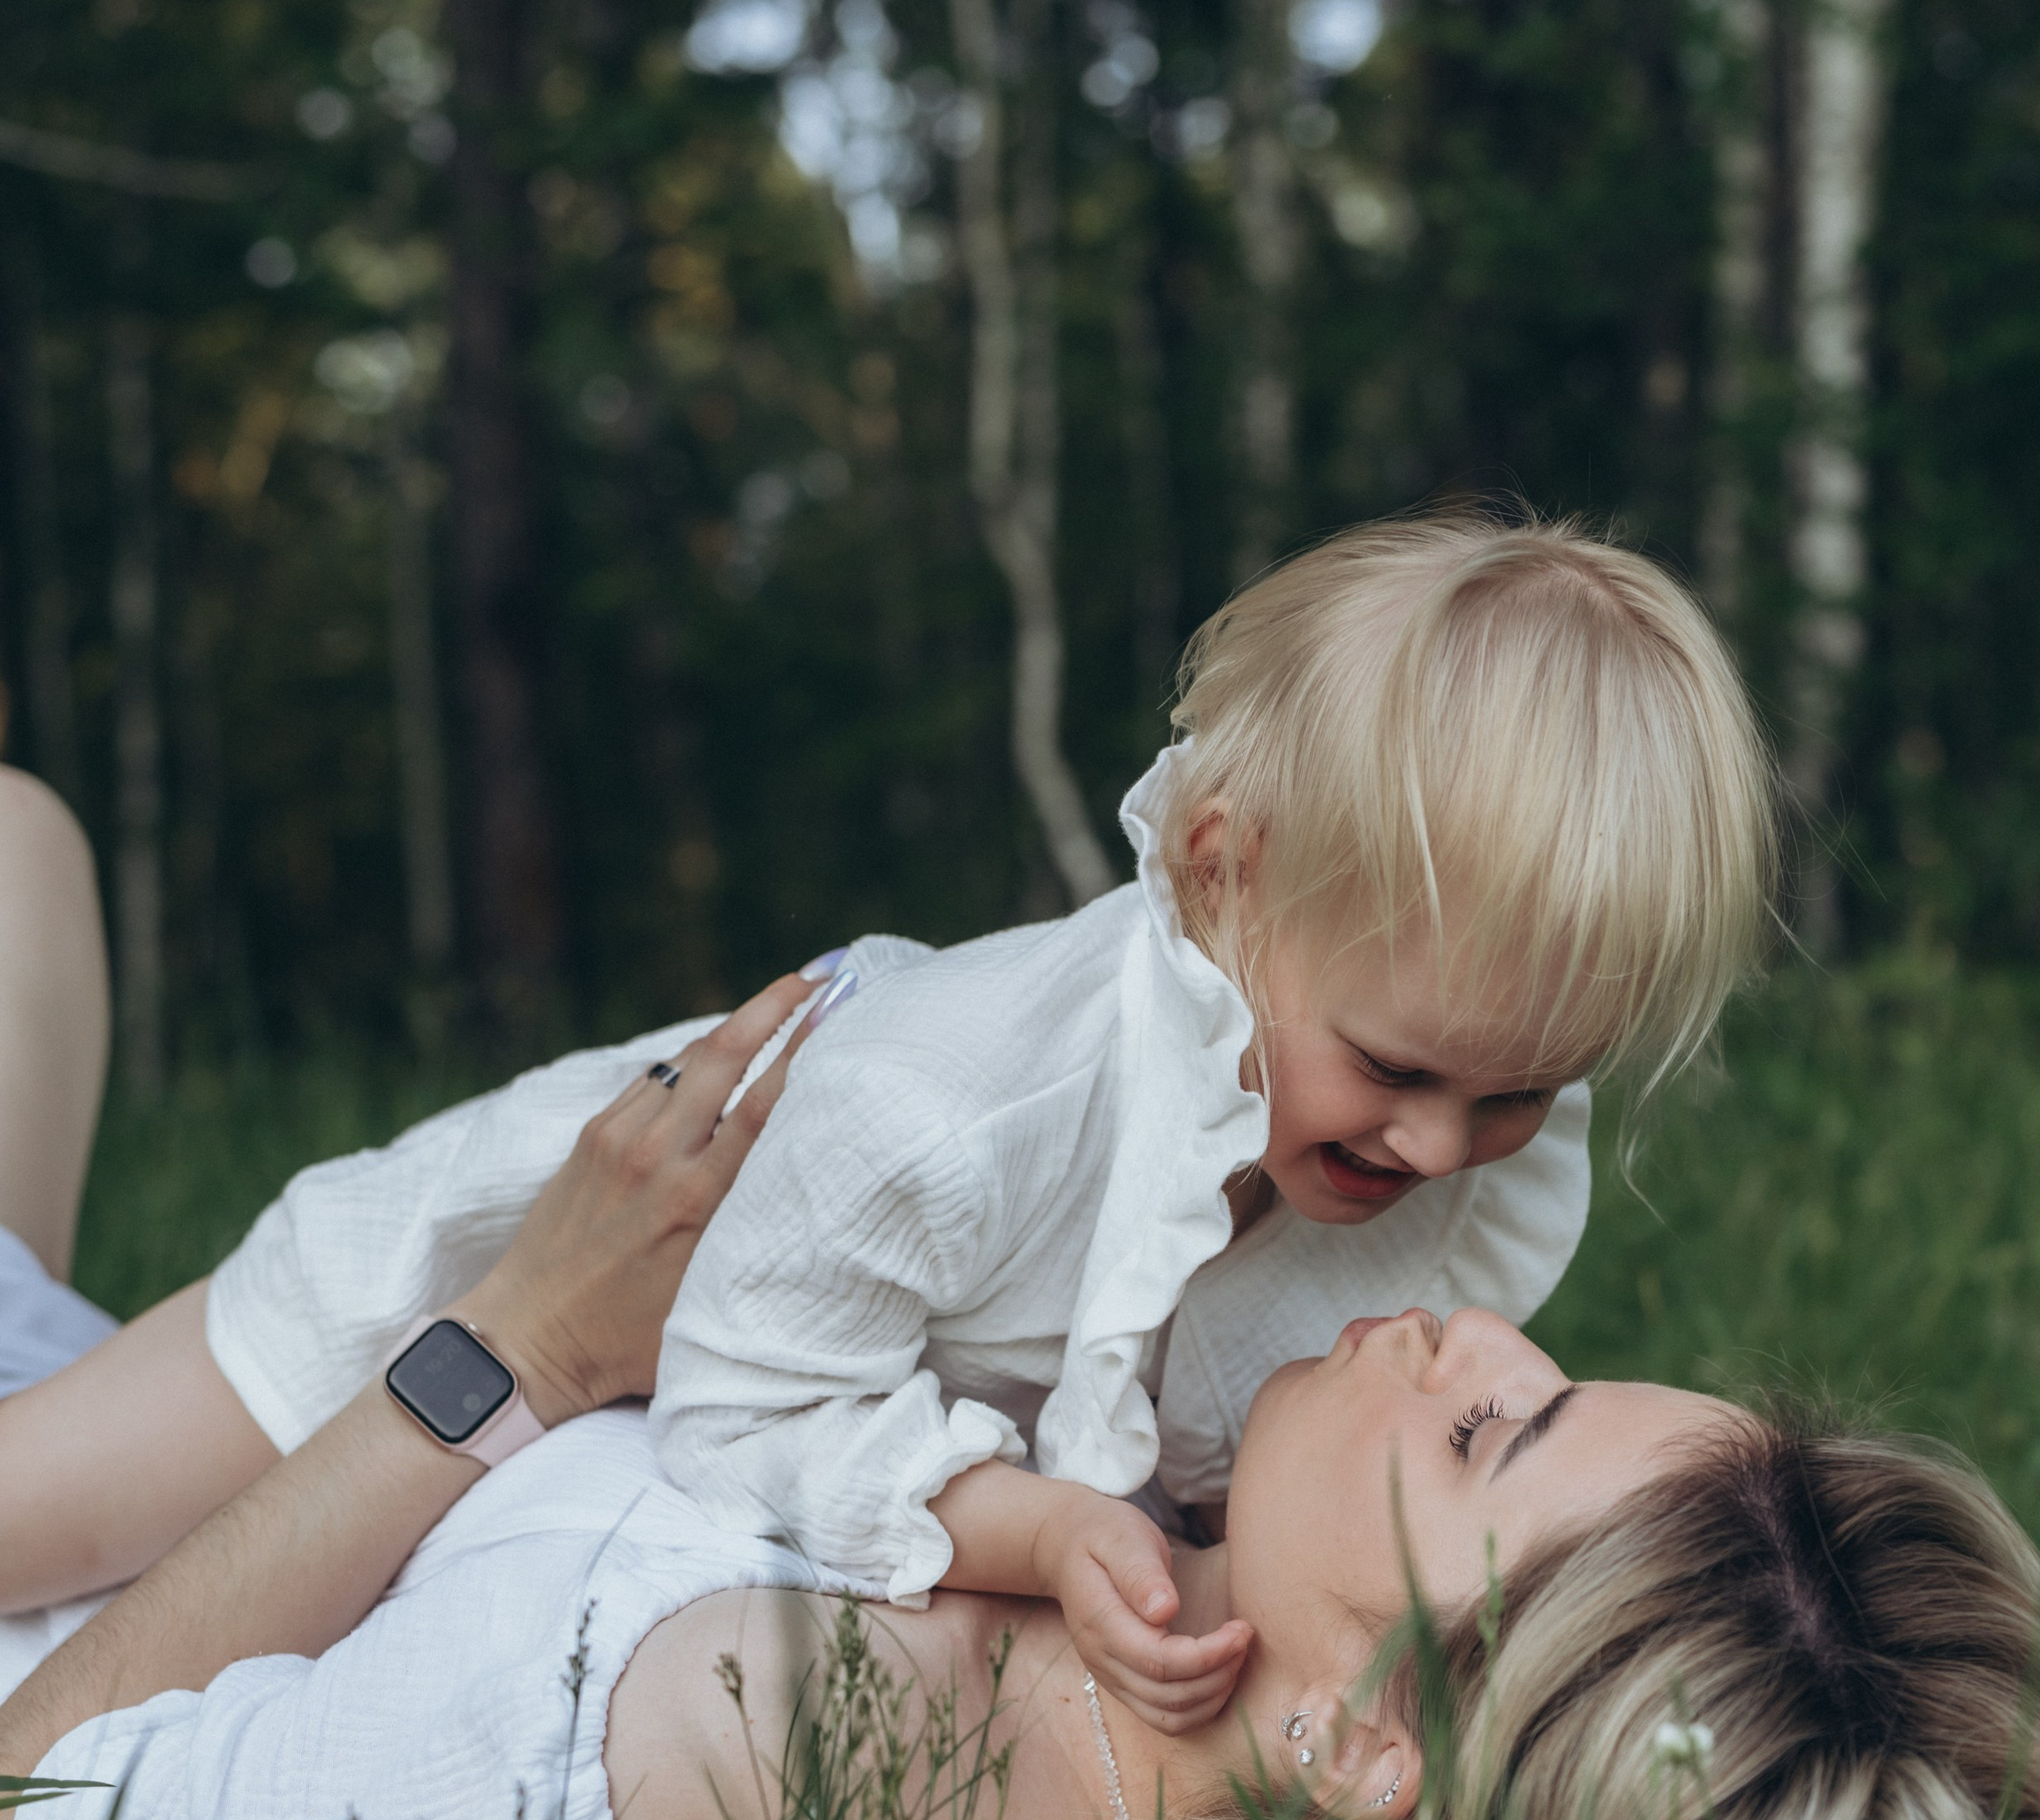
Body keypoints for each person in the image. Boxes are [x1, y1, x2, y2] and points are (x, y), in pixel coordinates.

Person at [0, 773, 2040, 1820]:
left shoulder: (775, 1728)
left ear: (1343, 1735)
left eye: (1494, 1430)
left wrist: (523, 1352)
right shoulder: (1143, 1499)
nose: (1475, 1326)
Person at [0, 513, 1779, 1745]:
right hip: (426, 1312)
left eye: (1520, 1091)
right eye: (1396, 1065)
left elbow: (1277, 1485)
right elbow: (742, 1402)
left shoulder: (1445, 1158)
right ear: (1221, 877)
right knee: (36, 1533)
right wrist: (1020, 1529)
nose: (1441, 1143)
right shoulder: (957, 1098)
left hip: (597, 1430)